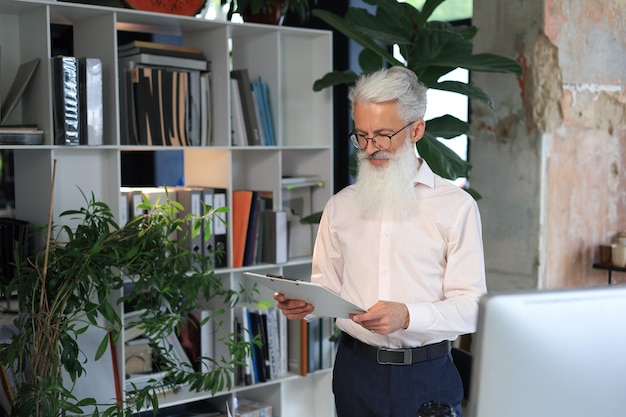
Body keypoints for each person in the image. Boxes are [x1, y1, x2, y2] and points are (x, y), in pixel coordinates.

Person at [274, 66, 487, 417]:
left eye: (384, 135)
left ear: (417, 129)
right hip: (355, 373)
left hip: (427, 375)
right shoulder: (340, 206)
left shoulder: (456, 208)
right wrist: (307, 305)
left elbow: (472, 307)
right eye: (362, 135)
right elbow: (326, 287)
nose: (371, 148)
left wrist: (407, 315)